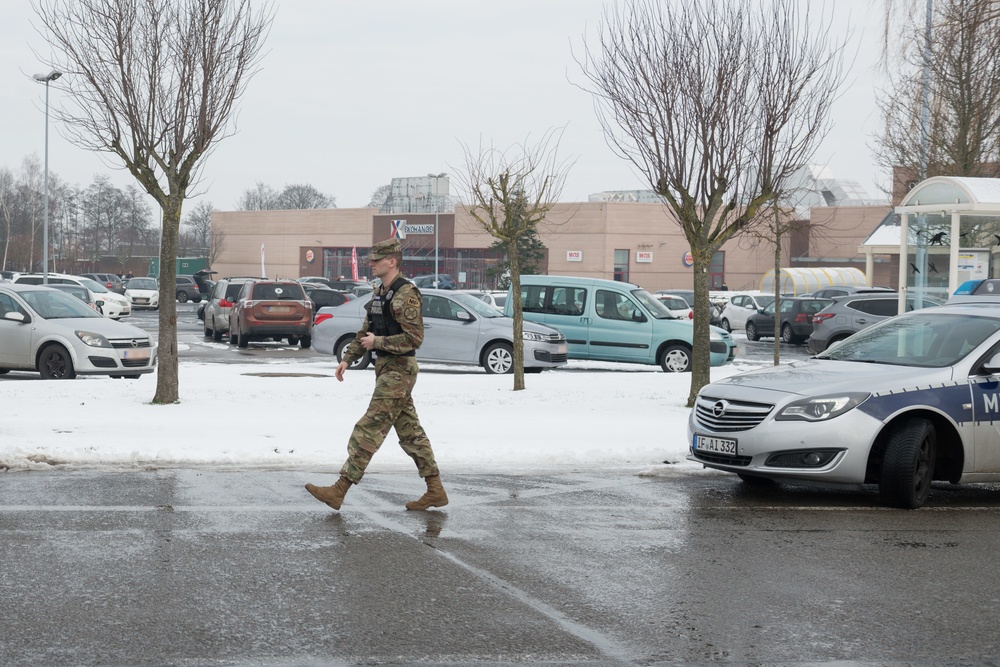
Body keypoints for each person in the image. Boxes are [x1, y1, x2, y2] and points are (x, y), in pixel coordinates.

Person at [305, 238, 447, 511]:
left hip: (399, 371)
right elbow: (366, 330)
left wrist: (378, 344)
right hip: (386, 370)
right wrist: (348, 358)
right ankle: (435, 490)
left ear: (391, 261)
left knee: (369, 427)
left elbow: (414, 339)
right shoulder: (381, 293)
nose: (370, 263)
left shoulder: (406, 293)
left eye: (376, 259)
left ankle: (339, 489)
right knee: (410, 433)